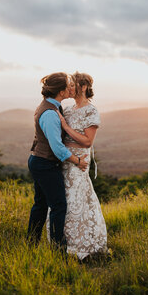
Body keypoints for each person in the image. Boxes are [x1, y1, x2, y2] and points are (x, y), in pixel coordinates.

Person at [27, 72, 88, 251]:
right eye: (68, 85)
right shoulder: (50, 114)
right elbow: (57, 147)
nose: (71, 87)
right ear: (61, 91)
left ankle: (31, 244)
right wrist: (77, 160)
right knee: (58, 206)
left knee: (40, 204)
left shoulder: (50, 106)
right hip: (45, 164)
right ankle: (58, 250)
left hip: (39, 160)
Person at [50, 72, 108, 260]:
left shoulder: (91, 111)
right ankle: (60, 243)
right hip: (64, 160)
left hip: (79, 161)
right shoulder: (67, 109)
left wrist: (66, 128)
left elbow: (87, 141)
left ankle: (82, 245)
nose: (70, 89)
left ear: (83, 87)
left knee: (76, 199)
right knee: (62, 200)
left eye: (73, 85)